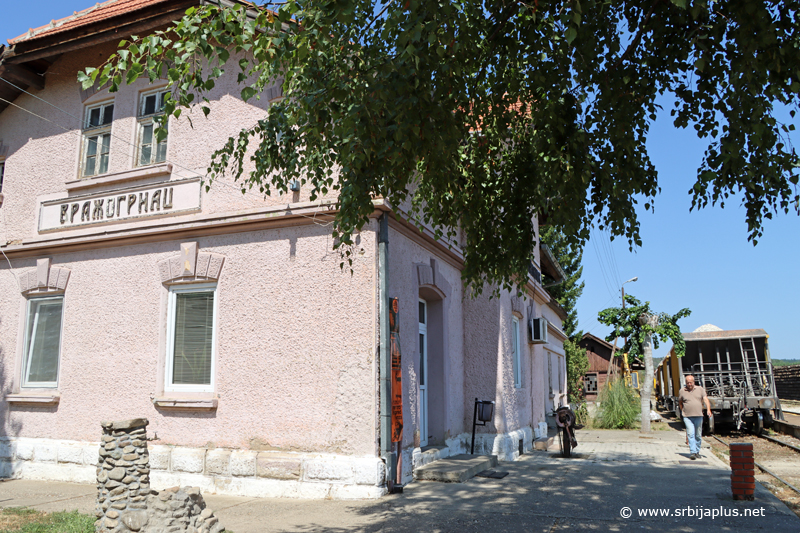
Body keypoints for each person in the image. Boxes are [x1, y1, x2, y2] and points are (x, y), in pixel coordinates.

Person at [679, 375, 712, 460]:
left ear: (694, 382)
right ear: (685, 383)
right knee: (690, 433)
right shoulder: (682, 391)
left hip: (698, 415)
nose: (689, 384)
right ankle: (692, 452)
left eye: (691, 382)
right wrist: (683, 411)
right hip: (687, 416)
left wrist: (708, 409)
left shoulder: (700, 389)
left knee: (698, 435)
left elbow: (705, 399)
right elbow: (680, 402)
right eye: (687, 383)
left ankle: (697, 451)